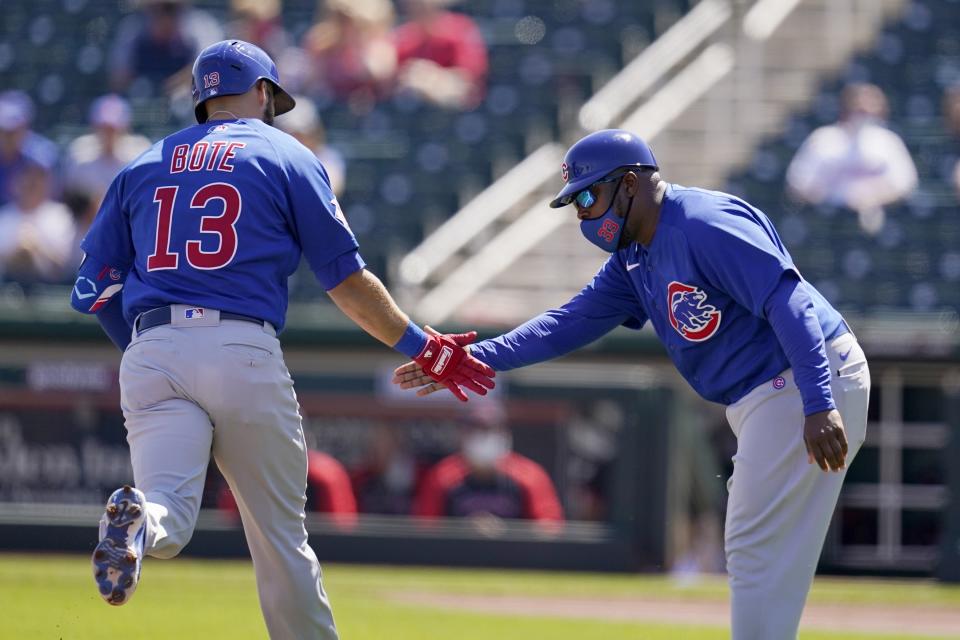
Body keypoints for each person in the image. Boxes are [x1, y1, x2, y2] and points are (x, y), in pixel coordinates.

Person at [70, 40, 494, 639]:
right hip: (241, 345)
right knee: (278, 541)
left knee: (169, 512)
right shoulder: (284, 153)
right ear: (265, 93)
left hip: (152, 347)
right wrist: (421, 345)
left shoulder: (142, 163)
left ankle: (143, 522)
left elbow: (93, 288)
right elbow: (345, 281)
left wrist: (145, 350)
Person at [394, 129, 871, 640]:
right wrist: (472, 357)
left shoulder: (702, 223)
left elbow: (789, 300)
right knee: (768, 556)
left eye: (586, 195)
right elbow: (565, 323)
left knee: (755, 548)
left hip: (801, 380)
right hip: (779, 391)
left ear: (628, 185)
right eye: (574, 201)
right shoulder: (634, 258)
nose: (580, 211)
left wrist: (819, 403)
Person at [785, 82, 917, 235]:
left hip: (878, 220)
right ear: (845, 106)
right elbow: (797, 184)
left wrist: (871, 197)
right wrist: (834, 196)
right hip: (831, 221)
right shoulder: (824, 138)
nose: (863, 112)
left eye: (869, 107)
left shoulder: (887, 140)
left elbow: (905, 184)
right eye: (858, 106)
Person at [413, 401, 564, 526]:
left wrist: (504, 534)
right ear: (462, 434)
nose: (484, 436)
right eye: (476, 429)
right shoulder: (442, 475)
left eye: (491, 429)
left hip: (514, 557)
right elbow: (425, 527)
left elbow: (550, 527)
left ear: (504, 433)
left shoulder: (529, 475)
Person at [63, 94, 151, 259]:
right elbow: (70, 200)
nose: (108, 133)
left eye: (113, 128)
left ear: (125, 127)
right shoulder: (79, 155)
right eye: (103, 127)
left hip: (126, 230)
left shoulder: (139, 152)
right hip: (86, 232)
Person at [219, 449, 359, 530]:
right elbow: (231, 521)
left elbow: (341, 525)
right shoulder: (254, 468)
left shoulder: (324, 473)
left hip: (317, 543)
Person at [109, 0, 222, 95]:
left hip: (188, 103)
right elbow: (117, 79)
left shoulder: (202, 27)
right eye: (155, 9)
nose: (163, 15)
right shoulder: (132, 29)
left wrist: (177, 83)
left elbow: (211, 71)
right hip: (142, 103)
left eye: (169, 8)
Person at [392, 0, 488, 109]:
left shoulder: (461, 28)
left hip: (455, 107)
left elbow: (468, 79)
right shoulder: (403, 36)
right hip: (412, 108)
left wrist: (432, 78)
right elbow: (393, 79)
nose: (420, 6)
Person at [301, 0, 397, 104]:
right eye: (340, 19)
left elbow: (377, 79)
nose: (344, 25)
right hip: (331, 107)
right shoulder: (322, 45)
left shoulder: (378, 47)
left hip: (369, 108)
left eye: (348, 20)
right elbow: (311, 84)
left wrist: (358, 47)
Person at [0, 161, 75, 284]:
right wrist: (19, 252)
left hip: (50, 290)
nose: (31, 185)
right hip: (6, 290)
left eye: (36, 181)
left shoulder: (61, 216)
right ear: (15, 183)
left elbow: (65, 265)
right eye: (27, 179)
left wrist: (36, 248)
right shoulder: (4, 216)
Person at [275, 96, 346, 197]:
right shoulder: (273, 158)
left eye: (301, 134)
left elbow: (327, 192)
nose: (296, 138)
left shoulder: (327, 157)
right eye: (291, 133)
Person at [0, 90, 59, 208]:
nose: (9, 135)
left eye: (14, 130)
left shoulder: (43, 158)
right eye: (4, 130)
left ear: (26, 127)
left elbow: (51, 201)